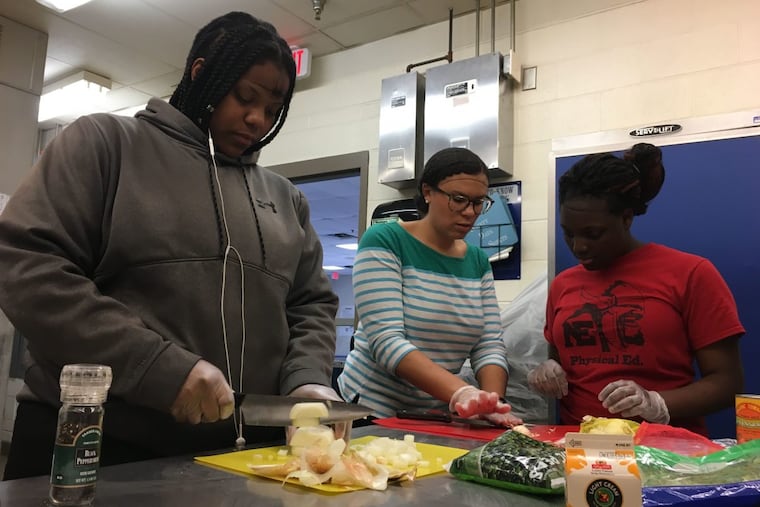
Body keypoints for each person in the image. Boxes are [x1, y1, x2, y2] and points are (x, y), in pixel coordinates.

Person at [0, 11, 341, 480]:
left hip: (245, 457)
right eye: (245, 96)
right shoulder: (105, 143)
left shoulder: (286, 199)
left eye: (273, 107)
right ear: (200, 74)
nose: (257, 118)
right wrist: (156, 367)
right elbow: (27, 264)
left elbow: (311, 304)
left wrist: (307, 382)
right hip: (96, 441)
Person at [528, 143, 745, 436]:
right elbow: (561, 358)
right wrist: (548, 369)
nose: (579, 246)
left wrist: (656, 403)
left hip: (664, 451)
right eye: (569, 233)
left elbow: (727, 382)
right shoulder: (564, 284)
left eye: (593, 234)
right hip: (578, 448)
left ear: (626, 218)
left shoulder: (691, 273)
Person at [337, 147, 522, 426]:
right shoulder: (386, 241)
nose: (470, 212)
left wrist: (490, 403)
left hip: (435, 414)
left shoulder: (477, 260)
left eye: (478, 202)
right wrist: (462, 392)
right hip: (371, 410)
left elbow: (489, 346)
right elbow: (386, 342)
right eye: (458, 199)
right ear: (427, 191)